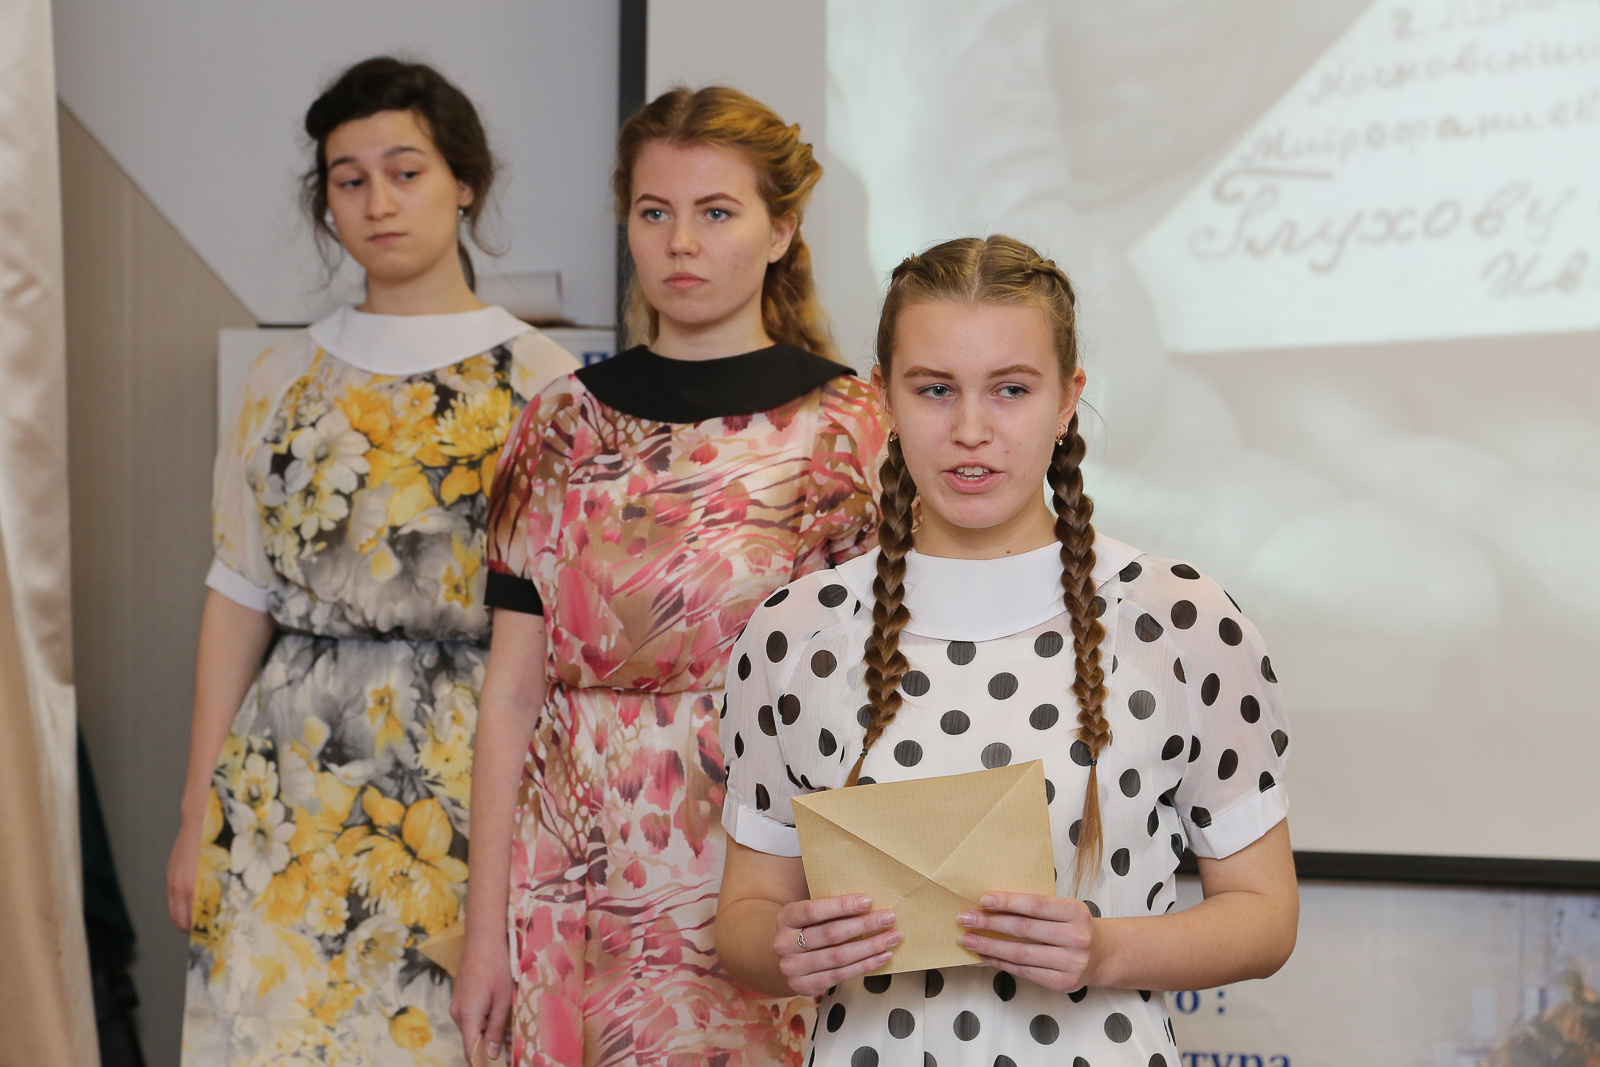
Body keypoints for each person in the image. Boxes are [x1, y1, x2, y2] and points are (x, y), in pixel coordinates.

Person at [715, 235, 1299, 1066]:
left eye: (1012, 390)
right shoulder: (793, 632)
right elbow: (744, 914)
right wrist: (790, 948)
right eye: (935, 389)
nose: (971, 430)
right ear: (883, 397)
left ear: (1068, 399)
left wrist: (1105, 950)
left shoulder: (1180, 620)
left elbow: (1266, 912)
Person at [451, 86, 887, 1066]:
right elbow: (510, 695)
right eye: (655, 212)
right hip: (571, 878)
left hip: (767, 871)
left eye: (716, 212)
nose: (680, 242)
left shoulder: (852, 426)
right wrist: (484, 935)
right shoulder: (557, 424)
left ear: (781, 231)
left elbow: (879, 694)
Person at [167, 57, 578, 1065]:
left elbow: (557, 627)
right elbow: (238, 589)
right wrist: (196, 807)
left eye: (405, 171)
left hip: (465, 778)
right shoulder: (280, 376)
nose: (378, 202)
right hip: (282, 785)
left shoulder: (544, 381)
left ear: (463, 182)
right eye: (349, 180)